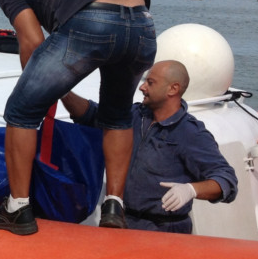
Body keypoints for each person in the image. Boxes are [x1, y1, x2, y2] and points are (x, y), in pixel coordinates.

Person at [0, 0, 157, 236]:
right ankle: (114, 205)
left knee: (21, 112)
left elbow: (32, 41)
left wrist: (35, 92)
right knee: (117, 116)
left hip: (94, 18)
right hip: (143, 25)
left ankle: (17, 209)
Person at [61, 60, 238, 233]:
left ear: (173, 89)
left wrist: (191, 190)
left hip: (165, 232)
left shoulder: (190, 133)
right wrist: (63, 93)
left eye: (150, 83)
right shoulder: (133, 116)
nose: (142, 87)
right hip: (122, 224)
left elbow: (226, 181)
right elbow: (93, 116)